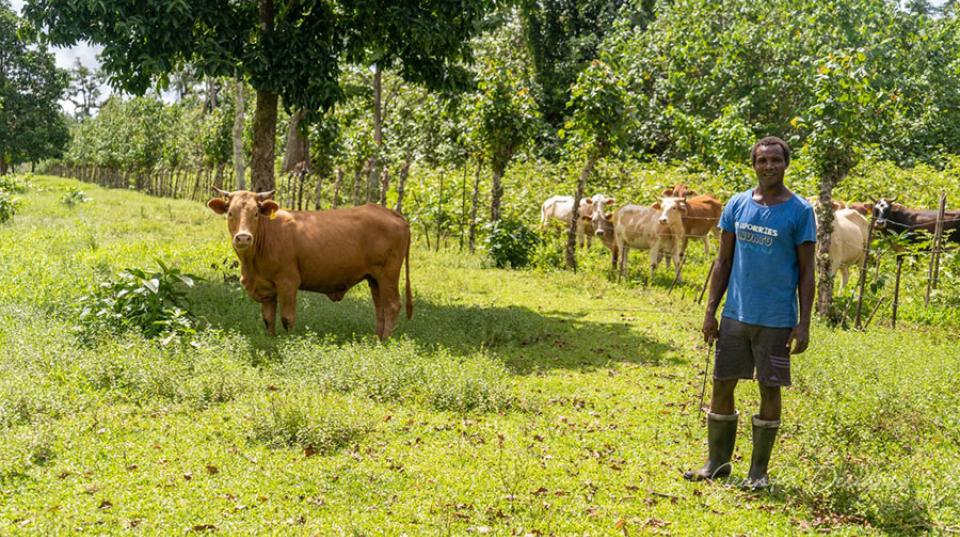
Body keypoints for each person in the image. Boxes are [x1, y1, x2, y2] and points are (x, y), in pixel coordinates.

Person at [684, 136, 816, 490]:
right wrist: (711, 312)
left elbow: (807, 272)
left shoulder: (800, 211)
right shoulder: (738, 204)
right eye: (762, 160)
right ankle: (716, 463)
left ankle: (758, 473)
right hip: (735, 317)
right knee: (722, 384)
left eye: (775, 160)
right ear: (754, 164)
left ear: (786, 164)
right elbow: (723, 261)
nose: (769, 166)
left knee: (770, 390)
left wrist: (803, 323)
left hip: (776, 322)